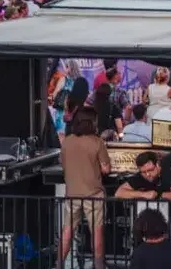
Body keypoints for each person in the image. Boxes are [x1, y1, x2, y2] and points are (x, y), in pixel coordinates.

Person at [58, 106, 111, 269]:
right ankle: (98, 266)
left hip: (72, 194)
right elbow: (106, 169)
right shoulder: (97, 142)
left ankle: (58, 265)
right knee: (96, 232)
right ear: (92, 123)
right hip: (93, 194)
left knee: (67, 231)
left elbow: (62, 162)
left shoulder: (67, 141)